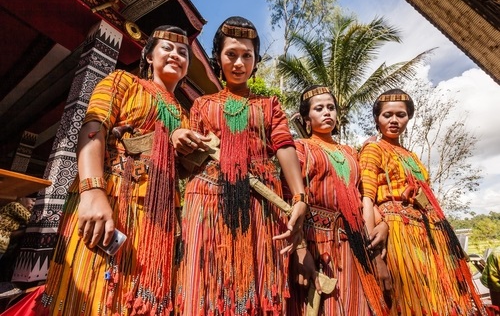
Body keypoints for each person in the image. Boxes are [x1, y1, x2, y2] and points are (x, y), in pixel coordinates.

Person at [33, 25, 204, 315]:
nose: (176, 54)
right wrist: (92, 190)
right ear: (148, 57)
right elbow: (93, 127)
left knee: (141, 299)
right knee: (92, 292)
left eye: (183, 52)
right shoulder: (123, 81)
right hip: (109, 199)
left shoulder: (186, 116)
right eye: (167, 47)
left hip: (158, 220)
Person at [174, 16, 310, 315]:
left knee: (258, 285)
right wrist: (180, 137)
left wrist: (299, 197)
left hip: (260, 202)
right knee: (205, 282)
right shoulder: (201, 105)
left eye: (246, 55)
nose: (239, 63)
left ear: (256, 60)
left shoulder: (269, 104)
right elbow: (186, 165)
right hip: (206, 200)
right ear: (218, 58)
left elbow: (284, 145)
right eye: (231, 54)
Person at [359, 89, 486, 315]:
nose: (394, 120)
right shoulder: (373, 149)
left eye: (401, 114)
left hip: (428, 235)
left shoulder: (411, 156)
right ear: (377, 118)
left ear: (409, 117)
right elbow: (366, 199)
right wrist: (374, 256)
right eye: (387, 115)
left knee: (437, 303)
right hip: (399, 234)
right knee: (409, 306)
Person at [286, 85, 389, 315]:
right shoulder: (300, 149)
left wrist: (382, 224)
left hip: (355, 245)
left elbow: (363, 195)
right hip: (316, 243)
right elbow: (289, 201)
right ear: (306, 118)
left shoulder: (351, 153)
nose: (327, 113)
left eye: (331, 108)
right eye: (319, 108)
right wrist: (300, 250)